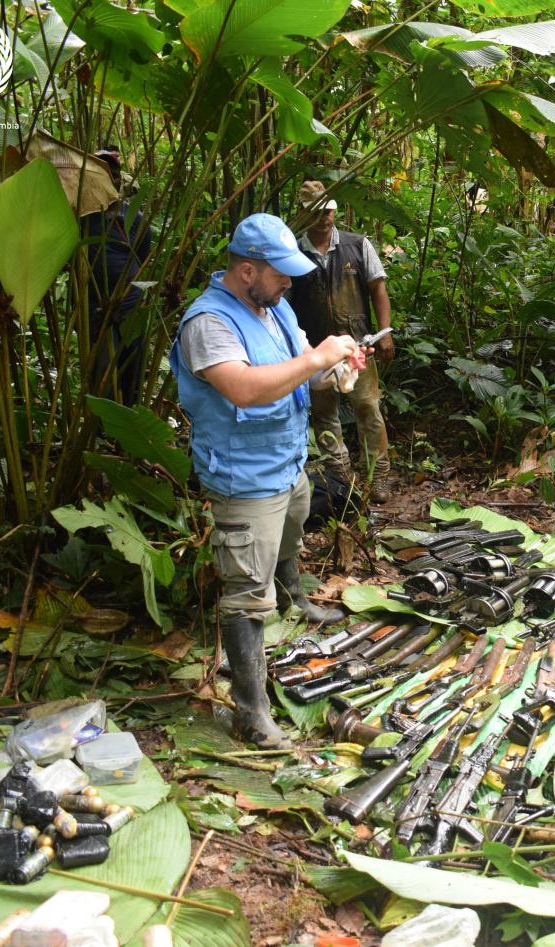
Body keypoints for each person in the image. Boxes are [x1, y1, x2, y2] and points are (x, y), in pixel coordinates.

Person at [169, 213, 364, 748]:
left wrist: (335, 369)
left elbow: (302, 370)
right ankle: (251, 713)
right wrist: (319, 356)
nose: (290, 283)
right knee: (245, 591)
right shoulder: (208, 323)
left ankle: (293, 599)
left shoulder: (274, 308)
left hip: (286, 462)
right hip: (244, 477)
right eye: (281, 274)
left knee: (291, 533)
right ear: (248, 270)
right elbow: (246, 389)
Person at [287, 181, 395, 502]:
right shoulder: (293, 253)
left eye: (328, 211)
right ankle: (340, 477)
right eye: (317, 212)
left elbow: (378, 290)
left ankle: (379, 476)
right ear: (304, 213)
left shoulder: (357, 245)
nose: (324, 218)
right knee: (323, 415)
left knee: (368, 407)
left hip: (358, 346)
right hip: (315, 350)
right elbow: (285, 303)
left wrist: (385, 332)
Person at [83, 145, 152, 405]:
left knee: (132, 365)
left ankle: (131, 413)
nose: (106, 177)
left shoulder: (135, 218)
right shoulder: (81, 216)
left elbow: (142, 259)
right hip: (96, 305)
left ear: (117, 178)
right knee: (102, 369)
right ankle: (103, 421)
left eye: (111, 172)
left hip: (130, 303)